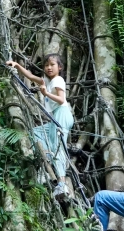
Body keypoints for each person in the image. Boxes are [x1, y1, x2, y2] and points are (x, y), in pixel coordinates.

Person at [6, 54, 74, 197]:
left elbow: (61, 100)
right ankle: (47, 162)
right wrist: (17, 65)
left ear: (59, 67)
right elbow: (31, 77)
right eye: (46, 65)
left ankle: (62, 185)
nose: (49, 67)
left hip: (61, 114)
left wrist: (46, 93)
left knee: (57, 148)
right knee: (36, 133)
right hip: (56, 116)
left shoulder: (58, 80)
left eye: (52, 65)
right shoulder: (47, 81)